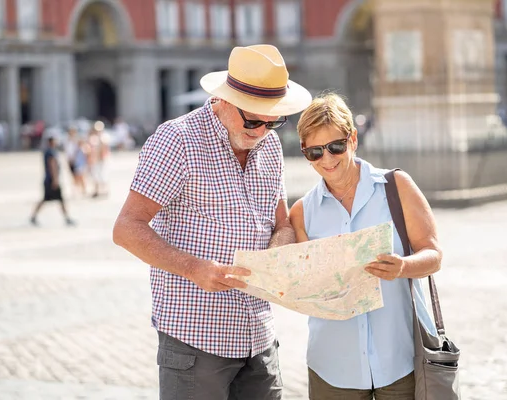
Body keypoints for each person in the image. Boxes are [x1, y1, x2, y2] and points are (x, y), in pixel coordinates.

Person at [112, 44, 312, 400]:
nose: (262, 130)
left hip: (259, 336)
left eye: (273, 121)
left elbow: (281, 222)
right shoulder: (178, 140)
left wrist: (275, 257)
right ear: (223, 99)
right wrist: (193, 268)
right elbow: (127, 228)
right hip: (195, 341)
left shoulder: (271, 146)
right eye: (252, 119)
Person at [289, 93, 442, 400]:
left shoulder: (397, 187)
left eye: (335, 146)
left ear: (353, 139)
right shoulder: (302, 212)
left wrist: (402, 266)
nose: (328, 160)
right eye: (315, 153)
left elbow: (433, 254)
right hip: (332, 366)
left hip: (400, 360)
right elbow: (301, 285)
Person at [30, 135, 75, 226]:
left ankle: (34, 216)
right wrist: (55, 180)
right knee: (56, 199)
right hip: (51, 180)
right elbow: (53, 166)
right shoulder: (52, 153)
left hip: (48, 179)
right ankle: (67, 218)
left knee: (51, 199)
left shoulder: (47, 152)